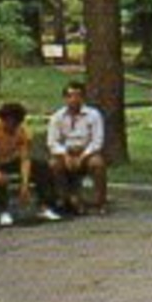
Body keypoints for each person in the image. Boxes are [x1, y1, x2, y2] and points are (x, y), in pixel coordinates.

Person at [0, 102, 62, 227]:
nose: (12, 125)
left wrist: (24, 184)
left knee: (42, 167)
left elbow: (25, 159)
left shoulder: (22, 132)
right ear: (3, 119)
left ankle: (44, 206)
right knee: (0, 177)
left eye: (15, 122)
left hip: (9, 160)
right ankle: (3, 211)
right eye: (9, 121)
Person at [47, 81, 108, 214]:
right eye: (70, 96)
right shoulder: (57, 117)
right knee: (54, 164)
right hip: (66, 153)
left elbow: (97, 141)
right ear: (65, 98)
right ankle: (63, 199)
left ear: (84, 97)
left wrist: (83, 156)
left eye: (78, 96)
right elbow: (52, 142)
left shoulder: (94, 115)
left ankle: (100, 202)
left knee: (97, 163)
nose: (74, 100)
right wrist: (65, 154)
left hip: (86, 152)